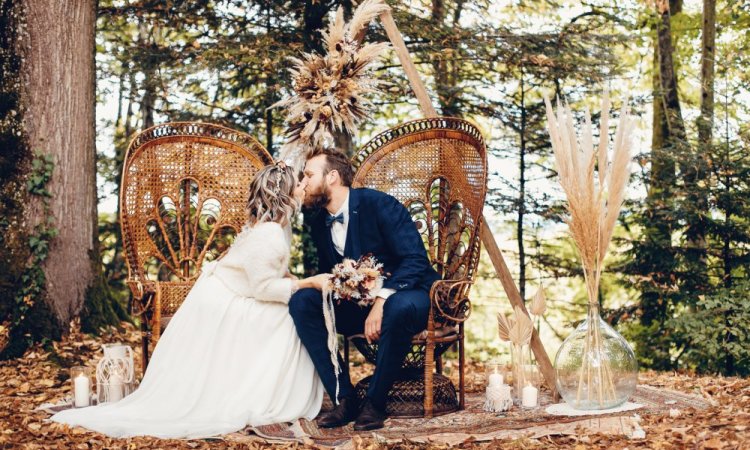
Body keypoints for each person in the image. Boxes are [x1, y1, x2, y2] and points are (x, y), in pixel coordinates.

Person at [51, 163, 329, 439]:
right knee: (289, 319)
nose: (304, 186)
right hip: (225, 302)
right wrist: (309, 282)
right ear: (284, 194)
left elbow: (262, 271)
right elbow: (263, 288)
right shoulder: (270, 234)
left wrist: (289, 277)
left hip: (223, 293)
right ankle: (264, 392)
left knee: (289, 311)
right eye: (298, 183)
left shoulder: (270, 227)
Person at [289, 147, 440, 431]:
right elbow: (333, 276)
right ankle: (344, 399)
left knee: (398, 307)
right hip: (357, 304)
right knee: (303, 302)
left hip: (409, 295)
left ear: (332, 177)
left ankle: (375, 404)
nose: (304, 182)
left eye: (309, 174)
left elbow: (415, 259)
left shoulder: (379, 204)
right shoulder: (319, 223)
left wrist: (381, 300)